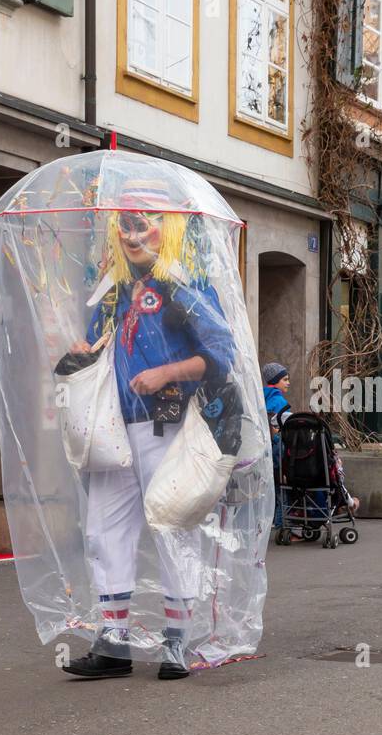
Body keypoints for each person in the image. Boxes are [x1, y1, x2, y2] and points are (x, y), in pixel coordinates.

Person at [62, 184, 236, 682]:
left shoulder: (186, 286)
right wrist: (83, 351)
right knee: (103, 529)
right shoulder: (112, 290)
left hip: (169, 426)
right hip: (112, 429)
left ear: (171, 228)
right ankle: (113, 642)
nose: (133, 235)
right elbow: (100, 346)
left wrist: (168, 373)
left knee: (171, 525)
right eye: (126, 225)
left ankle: (179, 640)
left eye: (144, 224)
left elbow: (221, 357)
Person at [263, 361, 295, 534]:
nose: (288, 383)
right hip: (278, 451)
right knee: (283, 486)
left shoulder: (261, 396)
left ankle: (273, 519)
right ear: (275, 381)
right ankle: (283, 522)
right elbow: (284, 428)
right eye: (285, 379)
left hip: (263, 450)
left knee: (272, 487)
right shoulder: (278, 401)